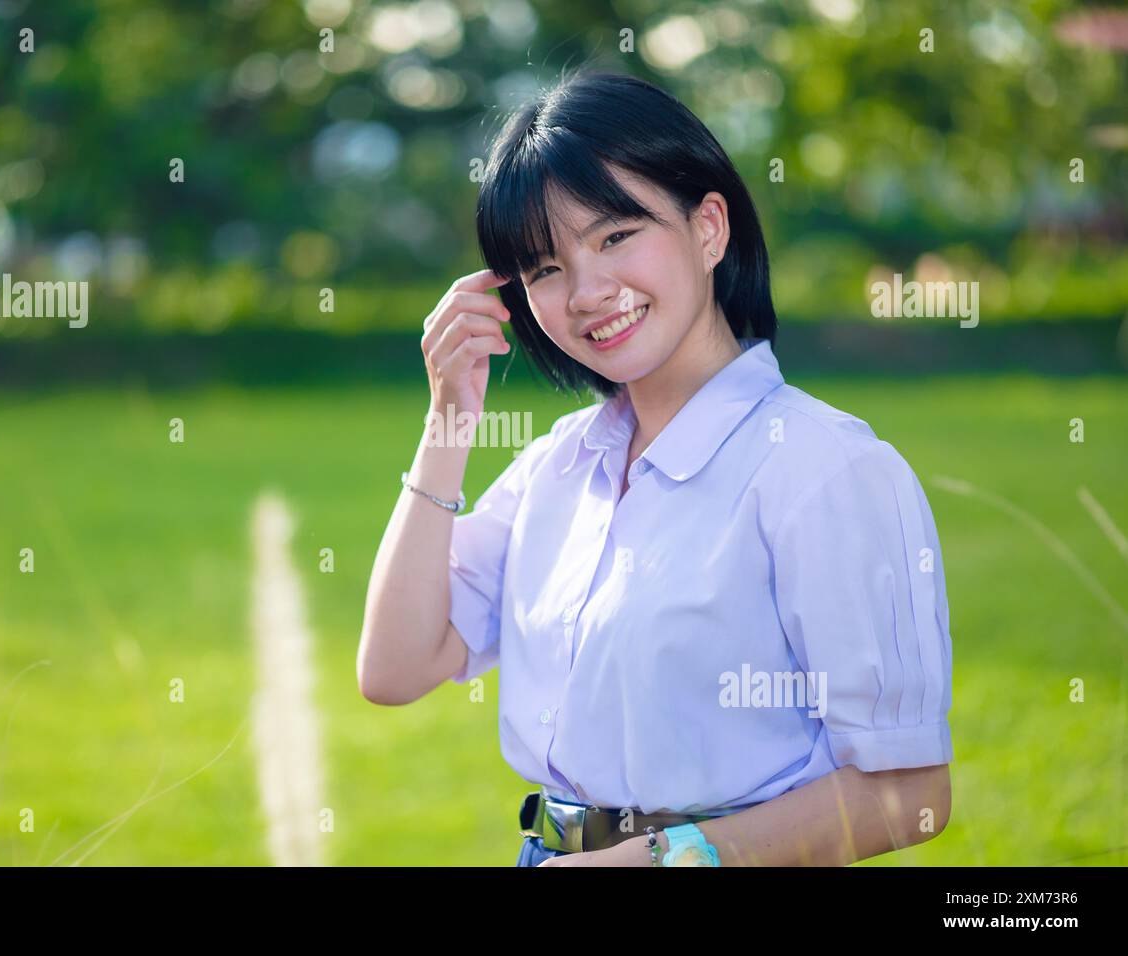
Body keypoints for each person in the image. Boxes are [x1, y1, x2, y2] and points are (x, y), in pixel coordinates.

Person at [357, 69, 953, 867]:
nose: (587, 292)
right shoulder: (557, 470)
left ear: (710, 228)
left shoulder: (825, 469)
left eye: (614, 237)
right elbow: (394, 666)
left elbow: (909, 796)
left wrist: (659, 861)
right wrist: (449, 422)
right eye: (544, 268)